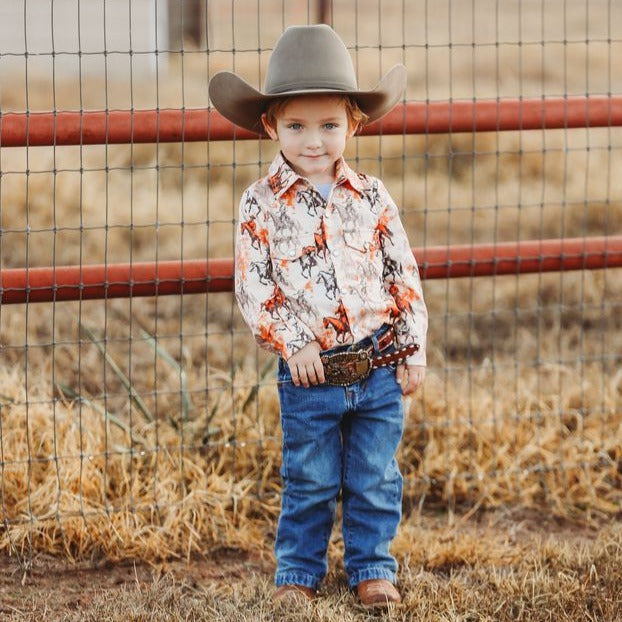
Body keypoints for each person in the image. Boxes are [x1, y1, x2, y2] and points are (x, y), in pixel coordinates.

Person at [208, 24, 427, 609]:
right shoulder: (260, 203)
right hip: (310, 374)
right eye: (297, 127)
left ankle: (372, 568)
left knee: (375, 475)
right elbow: (254, 286)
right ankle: (298, 573)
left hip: (378, 364)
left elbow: (401, 273)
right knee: (309, 478)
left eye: (329, 125)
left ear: (353, 123)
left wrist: (412, 348)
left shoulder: (372, 196)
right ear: (270, 126)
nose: (313, 142)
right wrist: (294, 341)